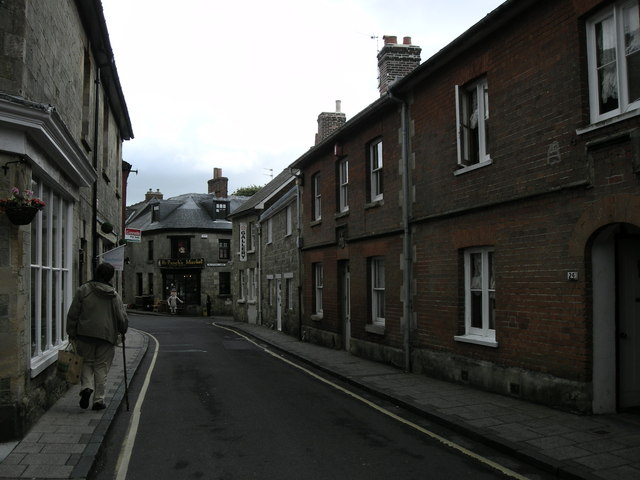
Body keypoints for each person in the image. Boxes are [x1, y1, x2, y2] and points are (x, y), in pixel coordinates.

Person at [66, 262, 128, 411]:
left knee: (86, 362)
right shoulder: (114, 295)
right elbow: (121, 318)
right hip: (106, 336)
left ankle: (86, 387)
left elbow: (73, 314)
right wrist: (123, 329)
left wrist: (71, 332)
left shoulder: (83, 290)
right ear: (111, 276)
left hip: (84, 334)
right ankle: (98, 400)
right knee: (101, 367)